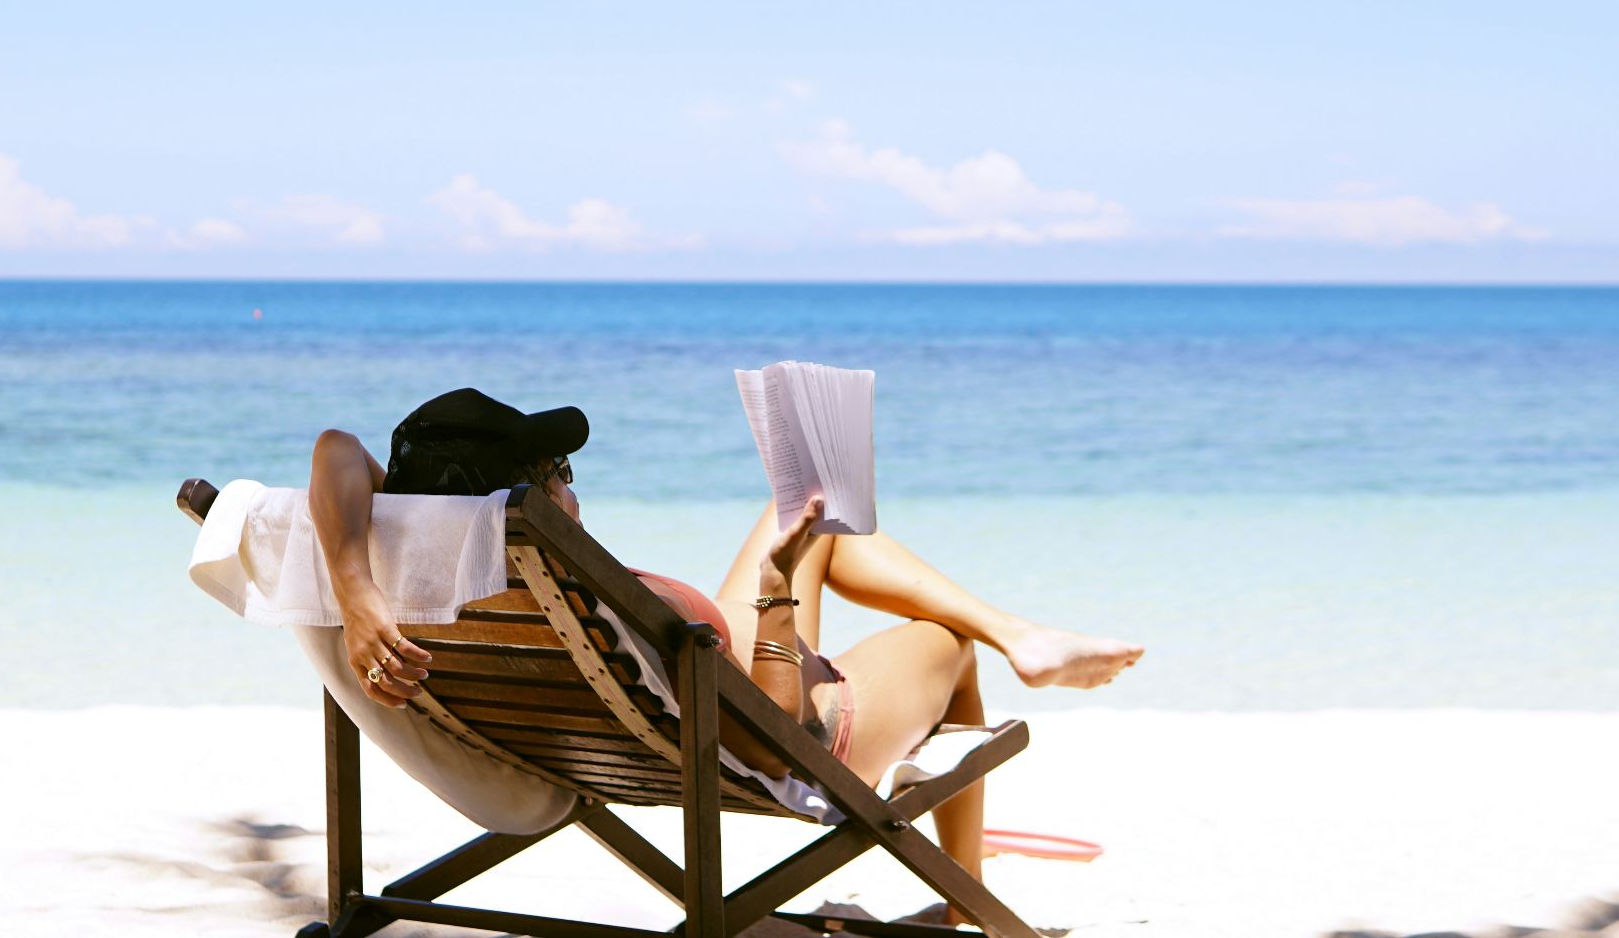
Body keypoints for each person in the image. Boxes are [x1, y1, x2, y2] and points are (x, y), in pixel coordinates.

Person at [307, 388, 1143, 926]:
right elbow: (775, 741)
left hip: (636, 705)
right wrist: (775, 593)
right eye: (558, 469)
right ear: (533, 499)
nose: (570, 484)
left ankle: (1020, 636)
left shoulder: (405, 563)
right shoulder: (606, 591)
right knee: (948, 646)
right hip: (795, 732)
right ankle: (964, 890)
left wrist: (354, 595)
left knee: (814, 525)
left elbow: (337, 447)